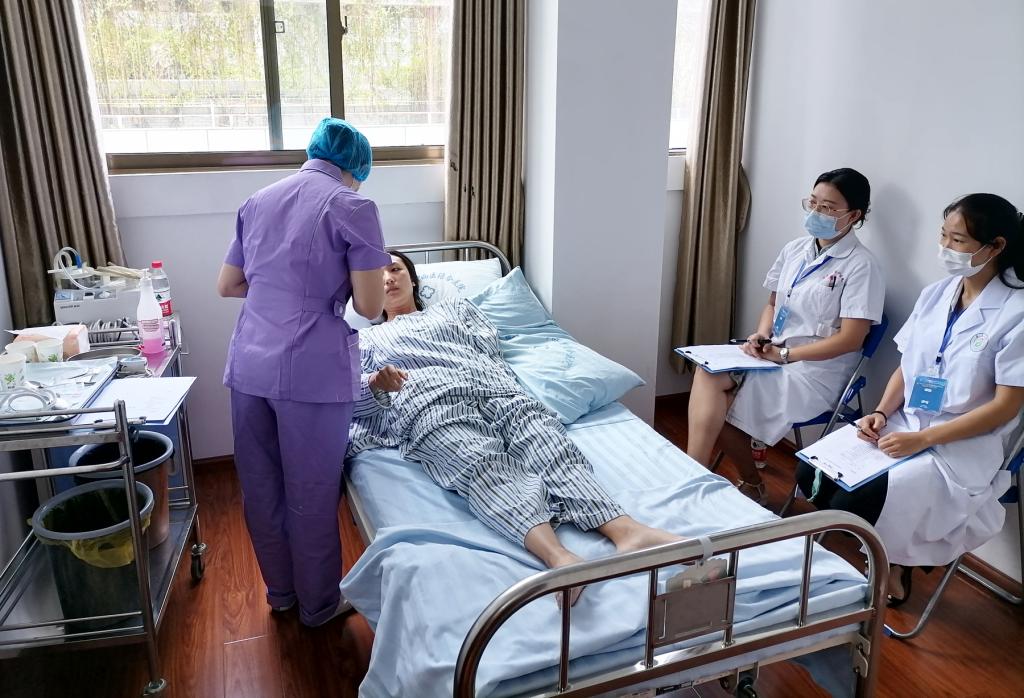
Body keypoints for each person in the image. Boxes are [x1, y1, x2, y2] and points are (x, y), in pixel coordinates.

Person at [350, 251, 688, 604]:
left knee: (548, 444)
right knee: (480, 463)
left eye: (395, 269)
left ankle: (626, 531)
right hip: (428, 401)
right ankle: (559, 558)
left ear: (413, 278)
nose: (388, 278)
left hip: (492, 386)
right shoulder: (364, 341)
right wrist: (376, 382)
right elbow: (351, 395)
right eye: (377, 275)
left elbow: (489, 347)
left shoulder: (456, 309)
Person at [799, 193, 1024, 605]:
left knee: (859, 497)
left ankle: (894, 565)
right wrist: (881, 412)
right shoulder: (936, 294)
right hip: (905, 422)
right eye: (943, 235)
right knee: (812, 473)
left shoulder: (1017, 313)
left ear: (995, 246)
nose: (945, 247)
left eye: (958, 240)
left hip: (961, 444)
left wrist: (923, 440)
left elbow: (1005, 406)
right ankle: (876, 552)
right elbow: (907, 366)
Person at [217, 118, 391, 627]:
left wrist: (279, 293)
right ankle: (318, 607)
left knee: (261, 487)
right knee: (310, 494)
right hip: (310, 372)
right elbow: (370, 306)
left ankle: (281, 594)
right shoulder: (353, 207)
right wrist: (317, 296)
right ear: (356, 168)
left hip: (249, 364)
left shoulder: (257, 200)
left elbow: (228, 285)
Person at [686, 168, 885, 504]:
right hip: (773, 354)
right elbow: (773, 304)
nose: (816, 212)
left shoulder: (862, 266)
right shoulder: (795, 249)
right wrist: (761, 334)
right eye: (813, 202)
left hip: (814, 372)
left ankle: (744, 484)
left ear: (853, 216)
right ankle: (694, 474)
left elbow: (851, 340)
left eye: (827, 208)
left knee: (722, 406)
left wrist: (786, 356)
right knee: (706, 373)